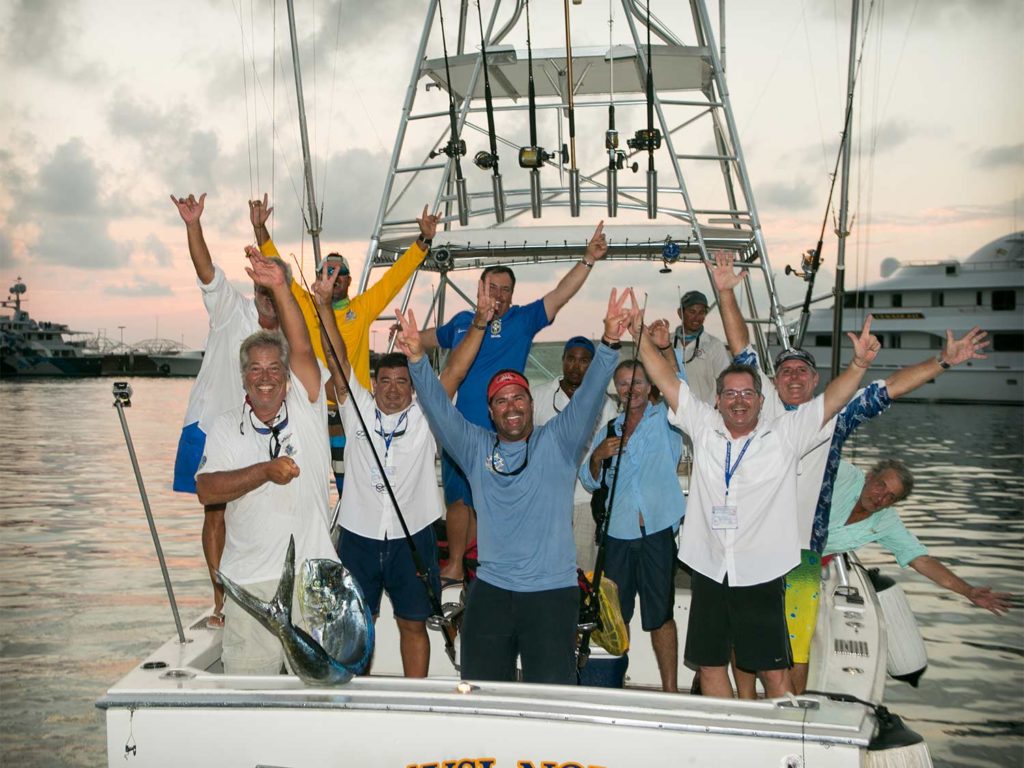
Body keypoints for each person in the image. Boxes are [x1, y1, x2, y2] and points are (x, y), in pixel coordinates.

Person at [712, 251, 993, 693]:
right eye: (784, 371)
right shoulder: (761, 408)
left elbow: (891, 387)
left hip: (803, 554)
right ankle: (747, 707)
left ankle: (791, 717)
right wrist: (726, 291)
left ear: (816, 379)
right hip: (751, 543)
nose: (793, 377)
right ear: (773, 381)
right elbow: (738, 344)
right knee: (743, 635)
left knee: (797, 645)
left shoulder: (833, 417)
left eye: (802, 370)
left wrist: (943, 361)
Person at [629, 305, 883, 698]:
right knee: (711, 665)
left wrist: (859, 365)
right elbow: (665, 377)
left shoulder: (784, 435)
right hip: (710, 569)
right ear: (717, 400)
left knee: (773, 673)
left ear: (762, 401)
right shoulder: (703, 425)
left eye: (748, 393)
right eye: (730, 393)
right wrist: (637, 335)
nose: (739, 400)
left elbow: (831, 401)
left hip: (761, 573)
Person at [393, 288, 635, 685]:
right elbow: (438, 407)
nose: (511, 407)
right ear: (490, 412)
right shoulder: (474, 448)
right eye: (501, 401)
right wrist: (417, 359)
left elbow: (590, 397)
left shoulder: (558, 441)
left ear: (531, 403)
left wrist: (609, 343)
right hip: (491, 589)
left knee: (551, 694)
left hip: (552, 592)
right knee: (481, 688)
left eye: (519, 398)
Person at [416, 223, 611, 587]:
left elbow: (558, 295)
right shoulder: (461, 322)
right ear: (481, 289)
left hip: (504, 430)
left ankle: (484, 566)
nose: (500, 295)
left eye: (506, 290)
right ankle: (456, 564)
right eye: (493, 288)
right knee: (459, 500)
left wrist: (587, 260)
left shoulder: (523, 320)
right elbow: (423, 340)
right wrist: (404, 341)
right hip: (462, 428)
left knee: (492, 504)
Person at [323, 272, 496, 677]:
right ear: (374, 384)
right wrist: (324, 306)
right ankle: (355, 695)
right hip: (358, 535)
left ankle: (413, 696)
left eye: (403, 381)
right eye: (385, 381)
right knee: (357, 623)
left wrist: (480, 323)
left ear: (412, 387)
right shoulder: (357, 408)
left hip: (413, 536)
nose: (394, 389)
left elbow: (454, 370)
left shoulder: (424, 415)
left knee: (412, 622)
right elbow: (336, 357)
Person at [195, 248, 338, 675]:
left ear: (287, 375)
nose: (265, 377)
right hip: (250, 589)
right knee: (248, 705)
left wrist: (281, 287)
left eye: (274, 369)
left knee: (318, 699)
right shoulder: (224, 426)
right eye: (255, 370)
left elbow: (301, 346)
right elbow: (207, 489)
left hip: (312, 582)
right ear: (243, 377)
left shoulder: (307, 406)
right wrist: (264, 472)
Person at [250, 195, 439, 492]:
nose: (333, 278)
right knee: (299, 482)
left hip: (350, 411)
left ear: (350, 281)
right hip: (307, 409)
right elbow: (277, 271)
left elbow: (394, 278)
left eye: (340, 273)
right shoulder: (303, 303)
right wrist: (260, 229)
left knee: (351, 485)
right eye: (327, 272)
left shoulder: (362, 308)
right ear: (315, 278)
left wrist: (423, 241)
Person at [169, 192, 286, 625]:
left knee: (257, 510)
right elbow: (205, 269)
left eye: (271, 287)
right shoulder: (230, 309)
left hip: (256, 430)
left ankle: (253, 586)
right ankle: (220, 598)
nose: (263, 295)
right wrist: (193, 224)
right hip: (208, 424)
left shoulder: (291, 334)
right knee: (215, 511)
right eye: (258, 287)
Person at [579, 319, 686, 692]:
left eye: (638, 382)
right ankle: (610, 685)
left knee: (661, 617)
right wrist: (597, 458)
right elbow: (590, 480)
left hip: (657, 532)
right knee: (613, 617)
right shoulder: (608, 428)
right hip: (618, 536)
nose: (631, 389)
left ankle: (670, 691)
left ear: (650, 385)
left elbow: (681, 387)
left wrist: (664, 348)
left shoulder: (667, 419)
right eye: (624, 384)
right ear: (616, 389)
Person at [824, 459, 1011, 615]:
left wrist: (968, 591)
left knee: (800, 638)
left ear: (894, 503)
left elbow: (921, 560)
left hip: (809, 562)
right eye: (880, 485)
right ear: (870, 476)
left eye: (891, 497)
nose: (880, 498)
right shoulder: (843, 474)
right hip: (794, 542)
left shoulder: (886, 522)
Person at [532, 336, 617, 567]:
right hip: (545, 501)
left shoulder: (606, 404)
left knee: (584, 570)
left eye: (584, 361)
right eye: (571, 359)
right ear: (562, 360)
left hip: (584, 501)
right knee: (545, 568)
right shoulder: (537, 396)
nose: (576, 366)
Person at [672, 290, 730, 404]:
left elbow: (725, 383)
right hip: (672, 415)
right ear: (680, 313)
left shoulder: (714, 345)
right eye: (692, 311)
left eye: (701, 312)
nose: (697, 317)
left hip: (705, 415)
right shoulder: (666, 343)